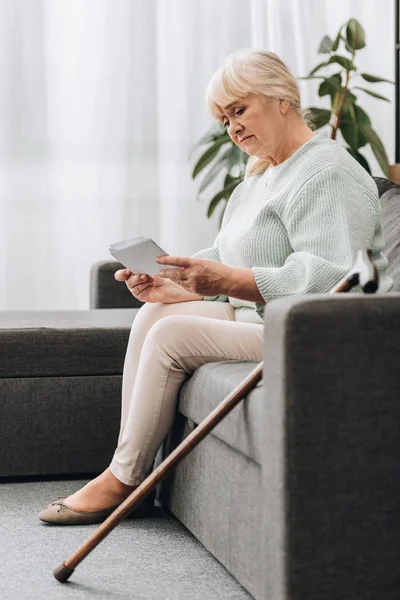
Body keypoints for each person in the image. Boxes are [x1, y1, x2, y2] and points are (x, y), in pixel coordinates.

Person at [39, 49, 393, 524]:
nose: (233, 129)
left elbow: (328, 278)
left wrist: (222, 281)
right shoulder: (260, 177)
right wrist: (174, 285)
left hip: (314, 333)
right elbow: (232, 258)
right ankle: (128, 469)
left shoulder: (327, 170)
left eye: (239, 111)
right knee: (158, 315)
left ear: (281, 99)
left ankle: (125, 481)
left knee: (171, 336)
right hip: (263, 317)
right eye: (225, 120)